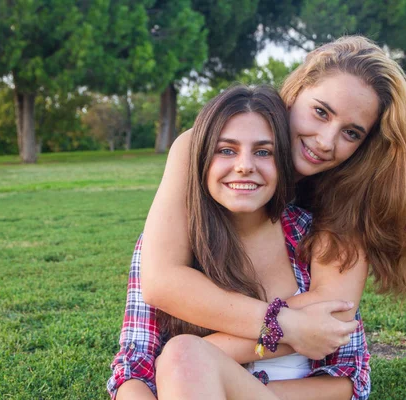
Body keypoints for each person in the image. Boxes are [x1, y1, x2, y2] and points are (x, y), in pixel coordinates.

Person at [135, 36, 406, 396]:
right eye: (320, 112)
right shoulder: (204, 146)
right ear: (295, 91)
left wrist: (183, 363)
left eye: (351, 133)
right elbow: (160, 281)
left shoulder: (342, 201)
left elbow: (329, 321)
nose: (326, 141)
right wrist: (283, 325)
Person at [108, 85, 369, 400]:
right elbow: (135, 368)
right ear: (200, 159)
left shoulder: (319, 238)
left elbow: (347, 378)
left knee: (183, 354)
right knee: (183, 355)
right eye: (226, 150)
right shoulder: (166, 246)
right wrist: (286, 329)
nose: (245, 165)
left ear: (284, 162)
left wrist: (213, 374)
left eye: (263, 151)